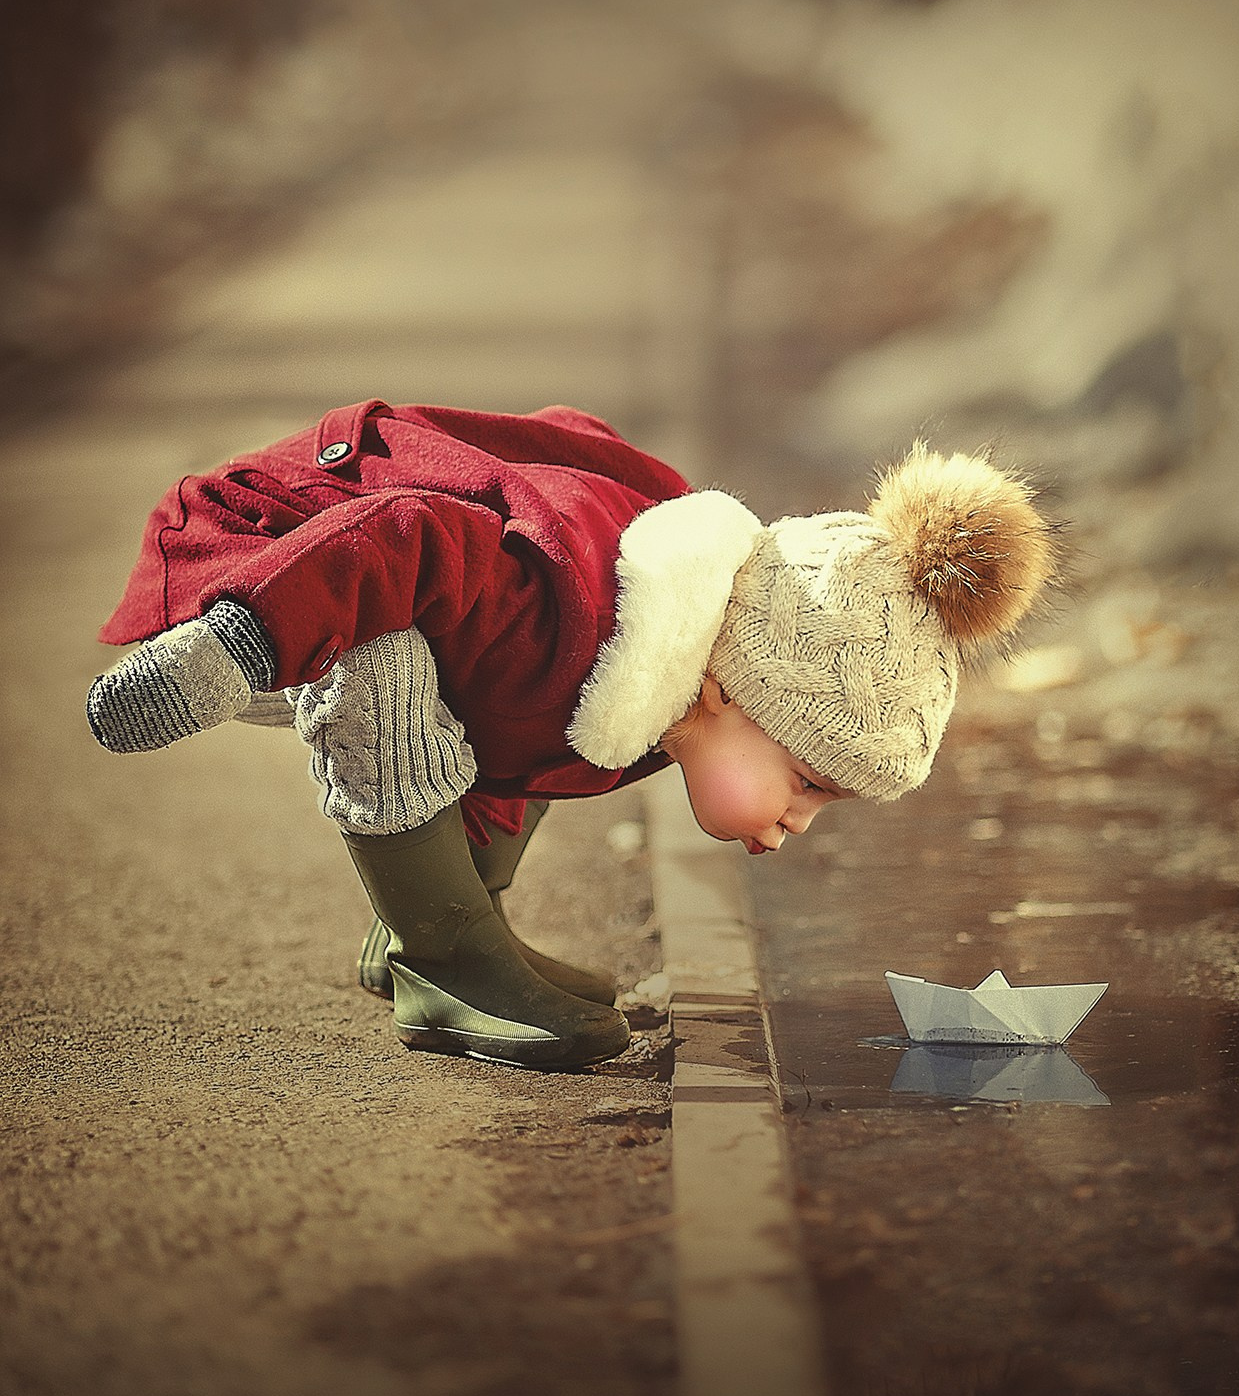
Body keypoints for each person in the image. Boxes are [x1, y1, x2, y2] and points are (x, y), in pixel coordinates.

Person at [86, 398, 1053, 1070]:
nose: (800, 818)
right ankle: (444, 958)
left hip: (359, 591)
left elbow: (509, 734)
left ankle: (443, 925)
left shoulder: (650, 685)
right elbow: (402, 534)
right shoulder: (561, 609)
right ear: (729, 689)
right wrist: (237, 645)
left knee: (553, 720)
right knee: (389, 661)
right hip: (271, 562)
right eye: (806, 780)